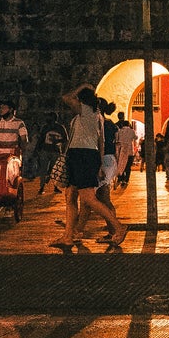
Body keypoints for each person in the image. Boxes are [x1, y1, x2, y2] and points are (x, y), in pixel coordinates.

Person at [53, 85, 126, 250]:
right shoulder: (96, 116)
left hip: (82, 156)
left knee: (88, 198)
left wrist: (83, 87)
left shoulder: (85, 110)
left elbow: (65, 97)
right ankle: (68, 236)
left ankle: (118, 227)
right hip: (81, 155)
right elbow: (101, 143)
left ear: (81, 100)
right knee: (70, 195)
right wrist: (99, 163)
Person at [34, 120, 64, 194]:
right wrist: (37, 149)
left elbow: (65, 139)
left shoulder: (59, 127)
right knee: (46, 169)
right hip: (47, 150)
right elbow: (41, 138)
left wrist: (56, 141)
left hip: (54, 151)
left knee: (53, 170)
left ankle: (52, 186)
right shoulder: (46, 127)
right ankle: (43, 187)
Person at [114, 113, 136, 187]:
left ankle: (122, 178)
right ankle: (126, 180)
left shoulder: (119, 131)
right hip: (130, 151)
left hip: (121, 151)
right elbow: (135, 137)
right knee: (128, 167)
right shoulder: (132, 131)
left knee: (121, 165)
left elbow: (116, 140)